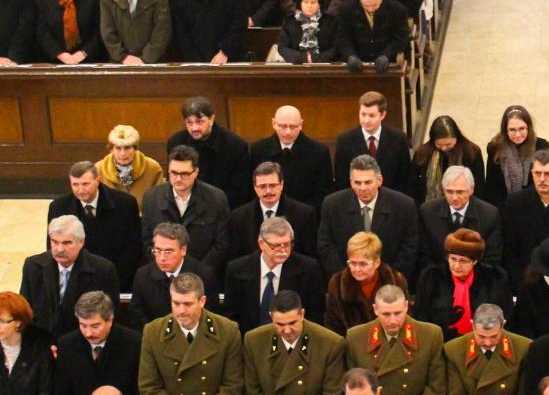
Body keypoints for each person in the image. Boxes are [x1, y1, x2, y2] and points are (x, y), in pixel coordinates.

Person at [137, 272, 244, 395]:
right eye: (176, 303)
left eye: (187, 304)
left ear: (202, 301)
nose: (181, 310)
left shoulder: (227, 330)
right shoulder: (153, 332)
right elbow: (149, 388)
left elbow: (232, 386)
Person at [241, 290, 345, 395]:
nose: (287, 330)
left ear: (302, 314)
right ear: (271, 317)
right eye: (280, 325)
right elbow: (251, 392)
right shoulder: (254, 341)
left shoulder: (330, 343)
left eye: (292, 323)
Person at [343, 284, 447, 395]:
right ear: (375, 309)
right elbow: (353, 388)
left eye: (397, 313)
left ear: (406, 306)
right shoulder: (356, 337)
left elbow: (436, 388)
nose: (392, 320)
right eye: (386, 314)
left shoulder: (430, 335)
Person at [317, 154, 420, 282]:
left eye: (368, 182)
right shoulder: (333, 204)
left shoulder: (403, 206)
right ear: (350, 182)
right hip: (346, 281)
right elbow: (325, 245)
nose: (363, 188)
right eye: (357, 183)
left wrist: (388, 279)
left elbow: (409, 248)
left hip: (389, 282)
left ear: (379, 180)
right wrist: (347, 277)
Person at [53, 292, 146, 395]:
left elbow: (140, 393)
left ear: (110, 320)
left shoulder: (134, 343)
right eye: (83, 325)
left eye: (95, 326)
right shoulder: (66, 345)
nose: (88, 333)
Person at [20, 215, 121, 338]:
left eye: (67, 243)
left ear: (81, 242)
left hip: (83, 341)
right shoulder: (33, 266)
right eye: (55, 242)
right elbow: (24, 312)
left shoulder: (103, 270)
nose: (59, 249)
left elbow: (110, 315)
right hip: (42, 342)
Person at [48, 160, 144, 288]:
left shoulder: (125, 204)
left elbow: (133, 246)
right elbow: (53, 247)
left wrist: (112, 276)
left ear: (98, 180)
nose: (80, 190)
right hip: (76, 279)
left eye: (85, 184)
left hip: (117, 278)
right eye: (75, 184)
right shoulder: (58, 207)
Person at [141, 146, 233, 275]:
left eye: (184, 174)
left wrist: (198, 272)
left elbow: (221, 245)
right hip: (163, 273)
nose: (178, 179)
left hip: (203, 275)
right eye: (174, 173)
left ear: (196, 172)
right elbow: (146, 241)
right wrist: (166, 267)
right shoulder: (152, 198)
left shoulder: (216, 199)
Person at [248, 105, 335, 210]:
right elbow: (251, 188)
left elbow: (323, 192)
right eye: (283, 126)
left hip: (305, 214)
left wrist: (302, 213)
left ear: (301, 125)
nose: (288, 132)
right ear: (274, 123)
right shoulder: (258, 150)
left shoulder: (319, 152)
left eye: (293, 127)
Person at [334, 90, 413, 192]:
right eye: (363, 114)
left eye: (371, 115)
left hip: (390, 199)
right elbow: (342, 182)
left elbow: (404, 179)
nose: (366, 120)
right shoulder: (345, 141)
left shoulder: (398, 139)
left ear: (382, 115)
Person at [100, 0, 173, 64]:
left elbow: (162, 32)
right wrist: (122, 56)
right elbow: (107, 29)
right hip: (120, 61)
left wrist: (146, 58)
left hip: (152, 61)